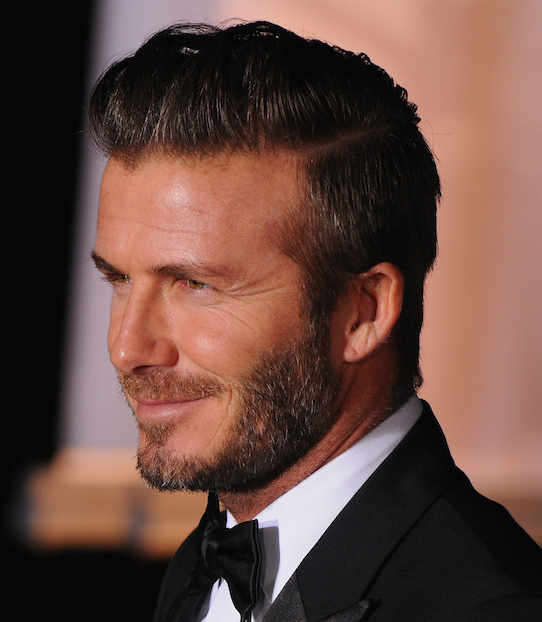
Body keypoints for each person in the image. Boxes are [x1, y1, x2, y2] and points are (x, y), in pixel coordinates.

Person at [87, 20, 542, 622]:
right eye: (119, 280)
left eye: (195, 285)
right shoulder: (199, 566)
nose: (126, 347)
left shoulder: (493, 609)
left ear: (363, 312)